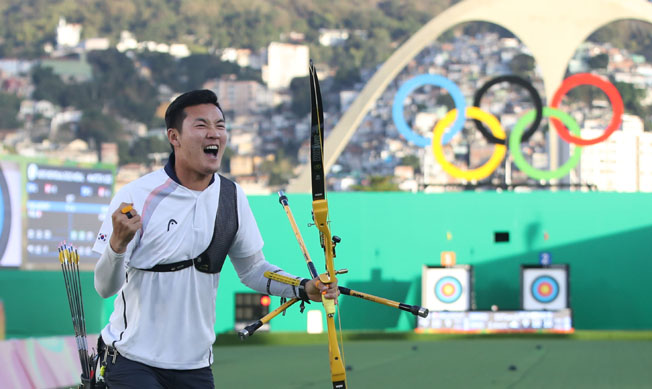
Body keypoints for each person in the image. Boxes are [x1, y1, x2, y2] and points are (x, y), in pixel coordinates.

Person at [92, 89, 337, 388]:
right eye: (201, 125)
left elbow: (253, 269)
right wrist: (117, 245)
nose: (215, 134)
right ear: (174, 137)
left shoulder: (231, 198)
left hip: (195, 366)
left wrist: (303, 287)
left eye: (220, 126)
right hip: (131, 360)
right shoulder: (136, 196)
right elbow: (104, 288)